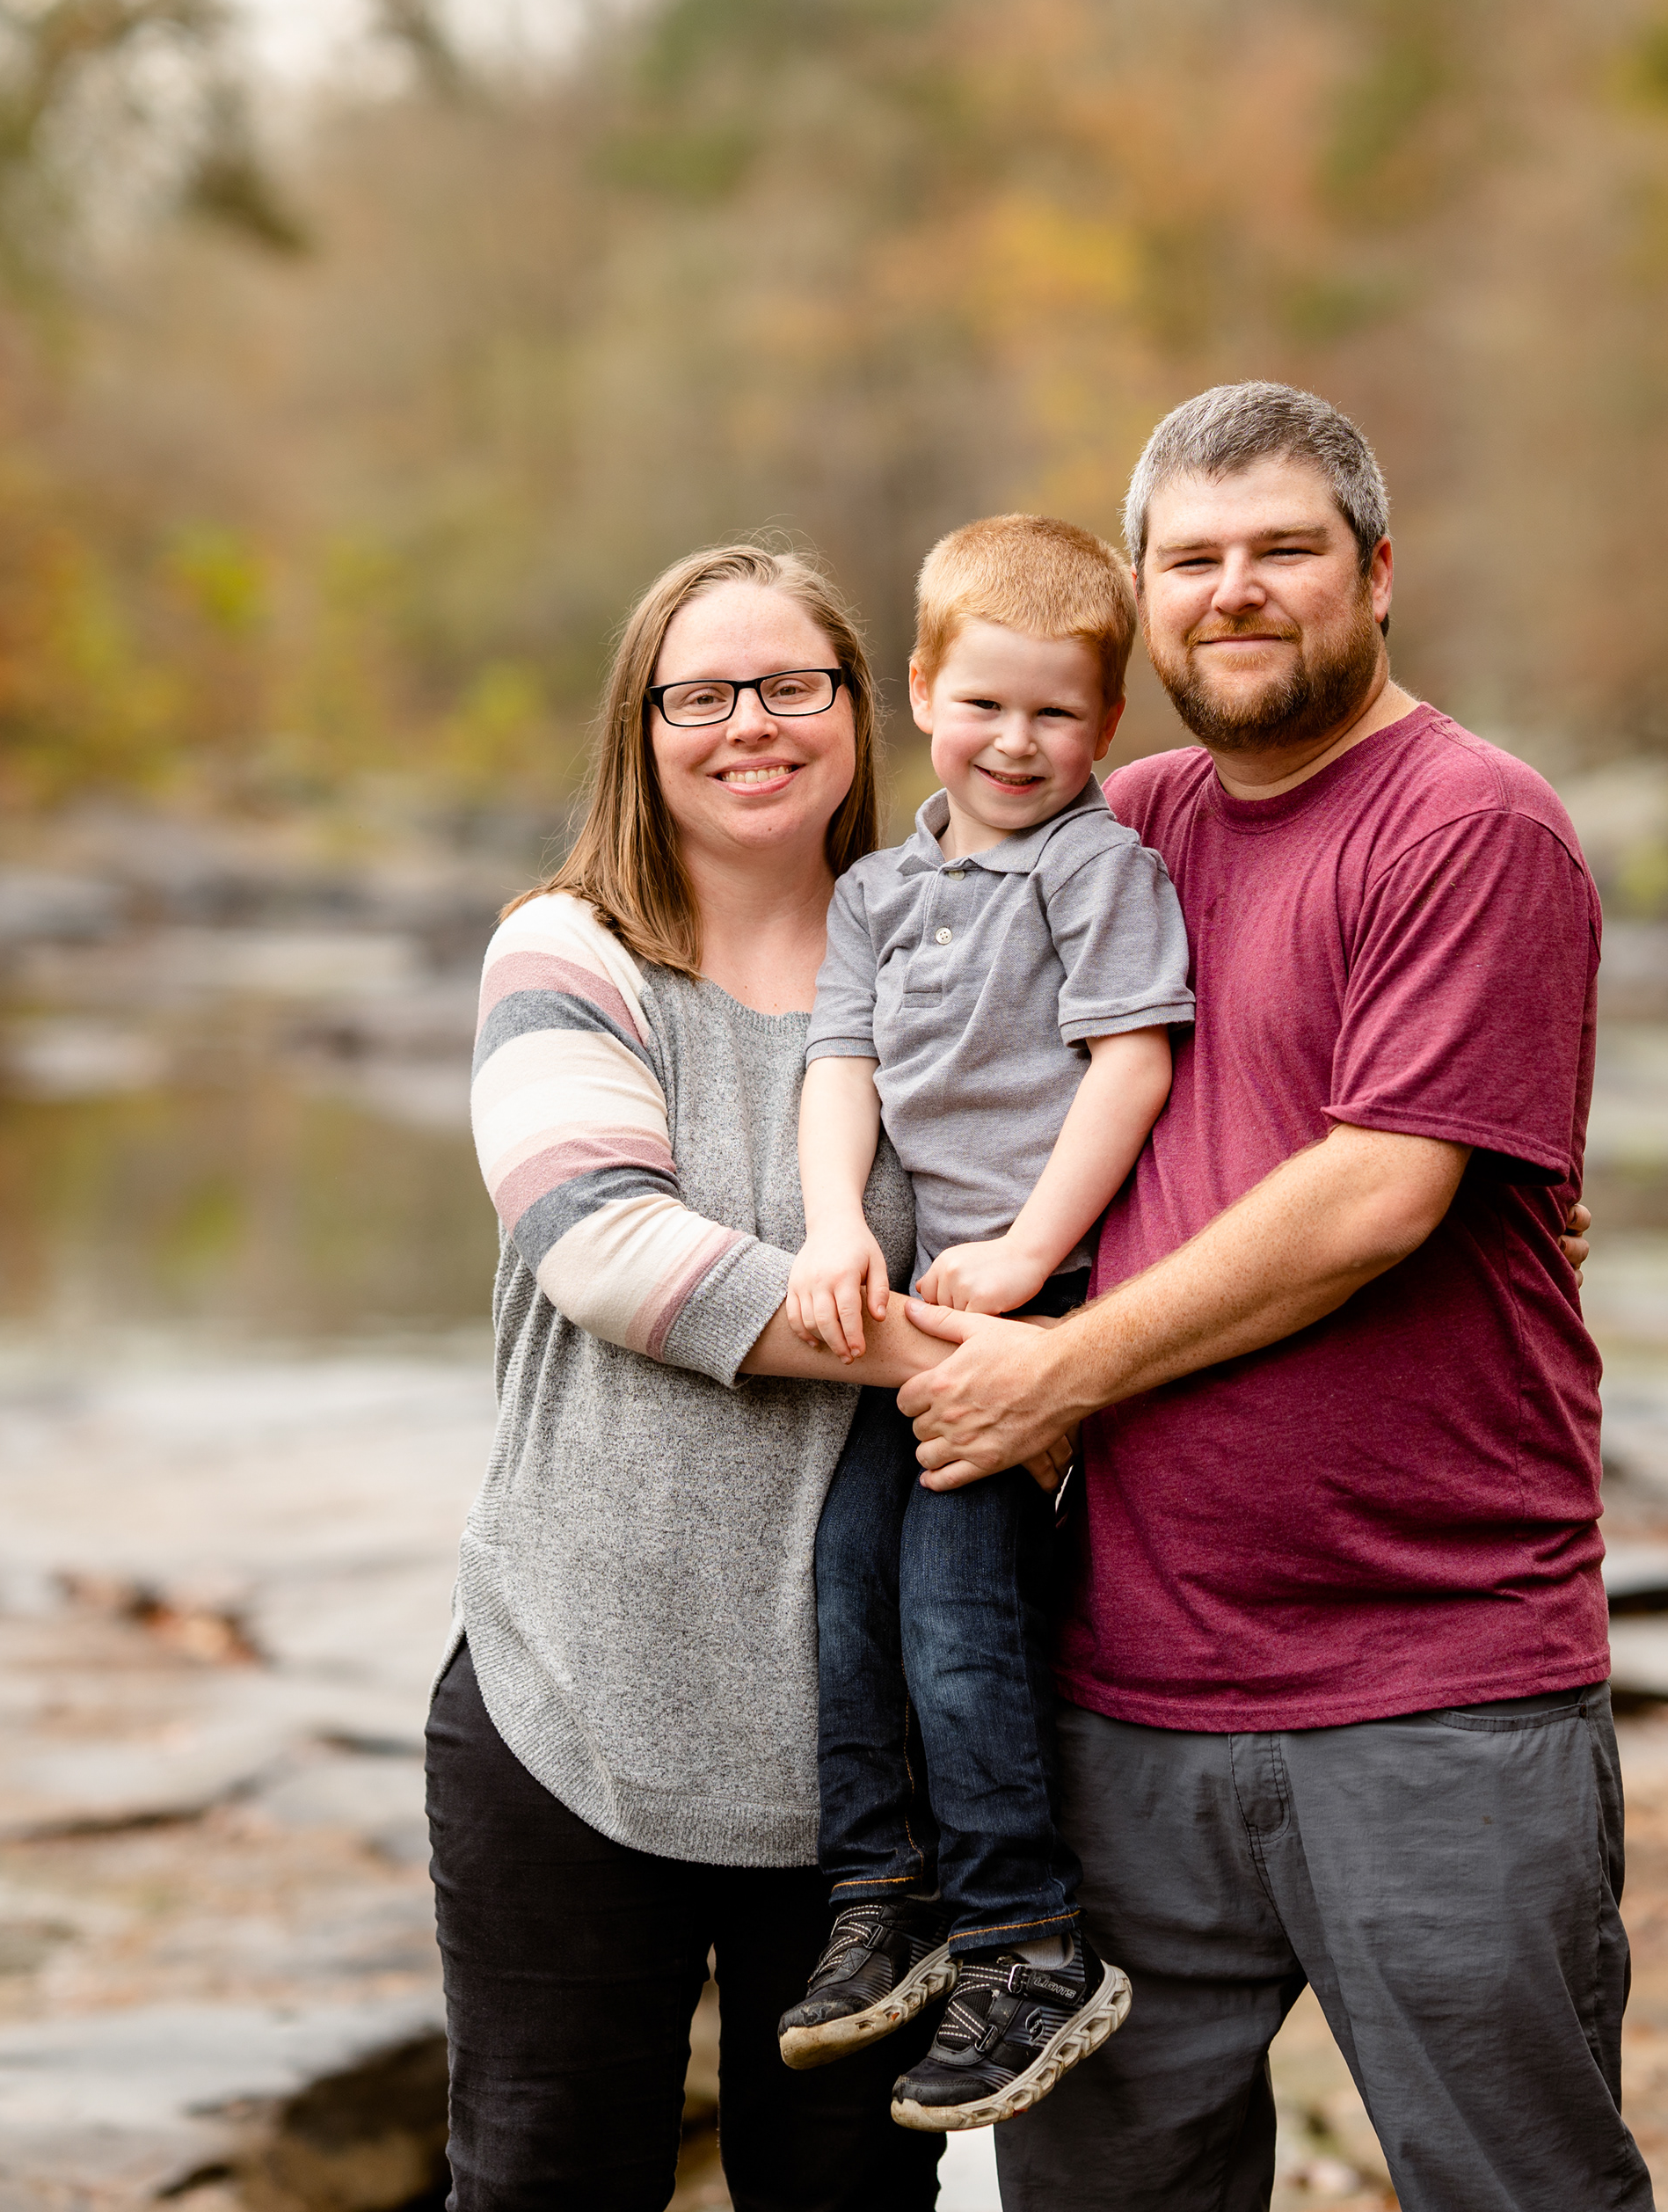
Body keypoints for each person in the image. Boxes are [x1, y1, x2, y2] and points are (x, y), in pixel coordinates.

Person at [896, 384, 1657, 2211]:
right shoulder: (1122, 827)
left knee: (1519, 2188)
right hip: (1121, 1692)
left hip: (1436, 1687)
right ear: (1141, 601)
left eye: (1283, 550)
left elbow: (1378, 1189)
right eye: (1191, 560)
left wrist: (1057, 1371)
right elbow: (906, 1017)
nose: (1233, 590)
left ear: (1378, 574)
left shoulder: (1471, 822)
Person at [436, 543, 980, 2212]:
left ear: (858, 711)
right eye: (701, 695)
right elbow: (603, 1244)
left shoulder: (943, 956)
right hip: (576, 1706)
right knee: (545, 2185)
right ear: (641, 727)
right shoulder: (569, 950)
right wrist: (993, 1369)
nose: (751, 724)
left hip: (874, 1769)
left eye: (793, 685)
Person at [775, 515, 1194, 2130]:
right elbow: (842, 1068)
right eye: (985, 706)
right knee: (845, 1581)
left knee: (959, 1608)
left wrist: (1028, 1253)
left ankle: (1027, 1938)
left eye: (1056, 715)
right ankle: (879, 1896)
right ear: (920, 694)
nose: (1016, 744)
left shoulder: (1096, 869)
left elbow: (1132, 1067)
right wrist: (832, 1226)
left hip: (1040, 1294)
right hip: (926, 1299)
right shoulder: (877, 892)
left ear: (1108, 724)